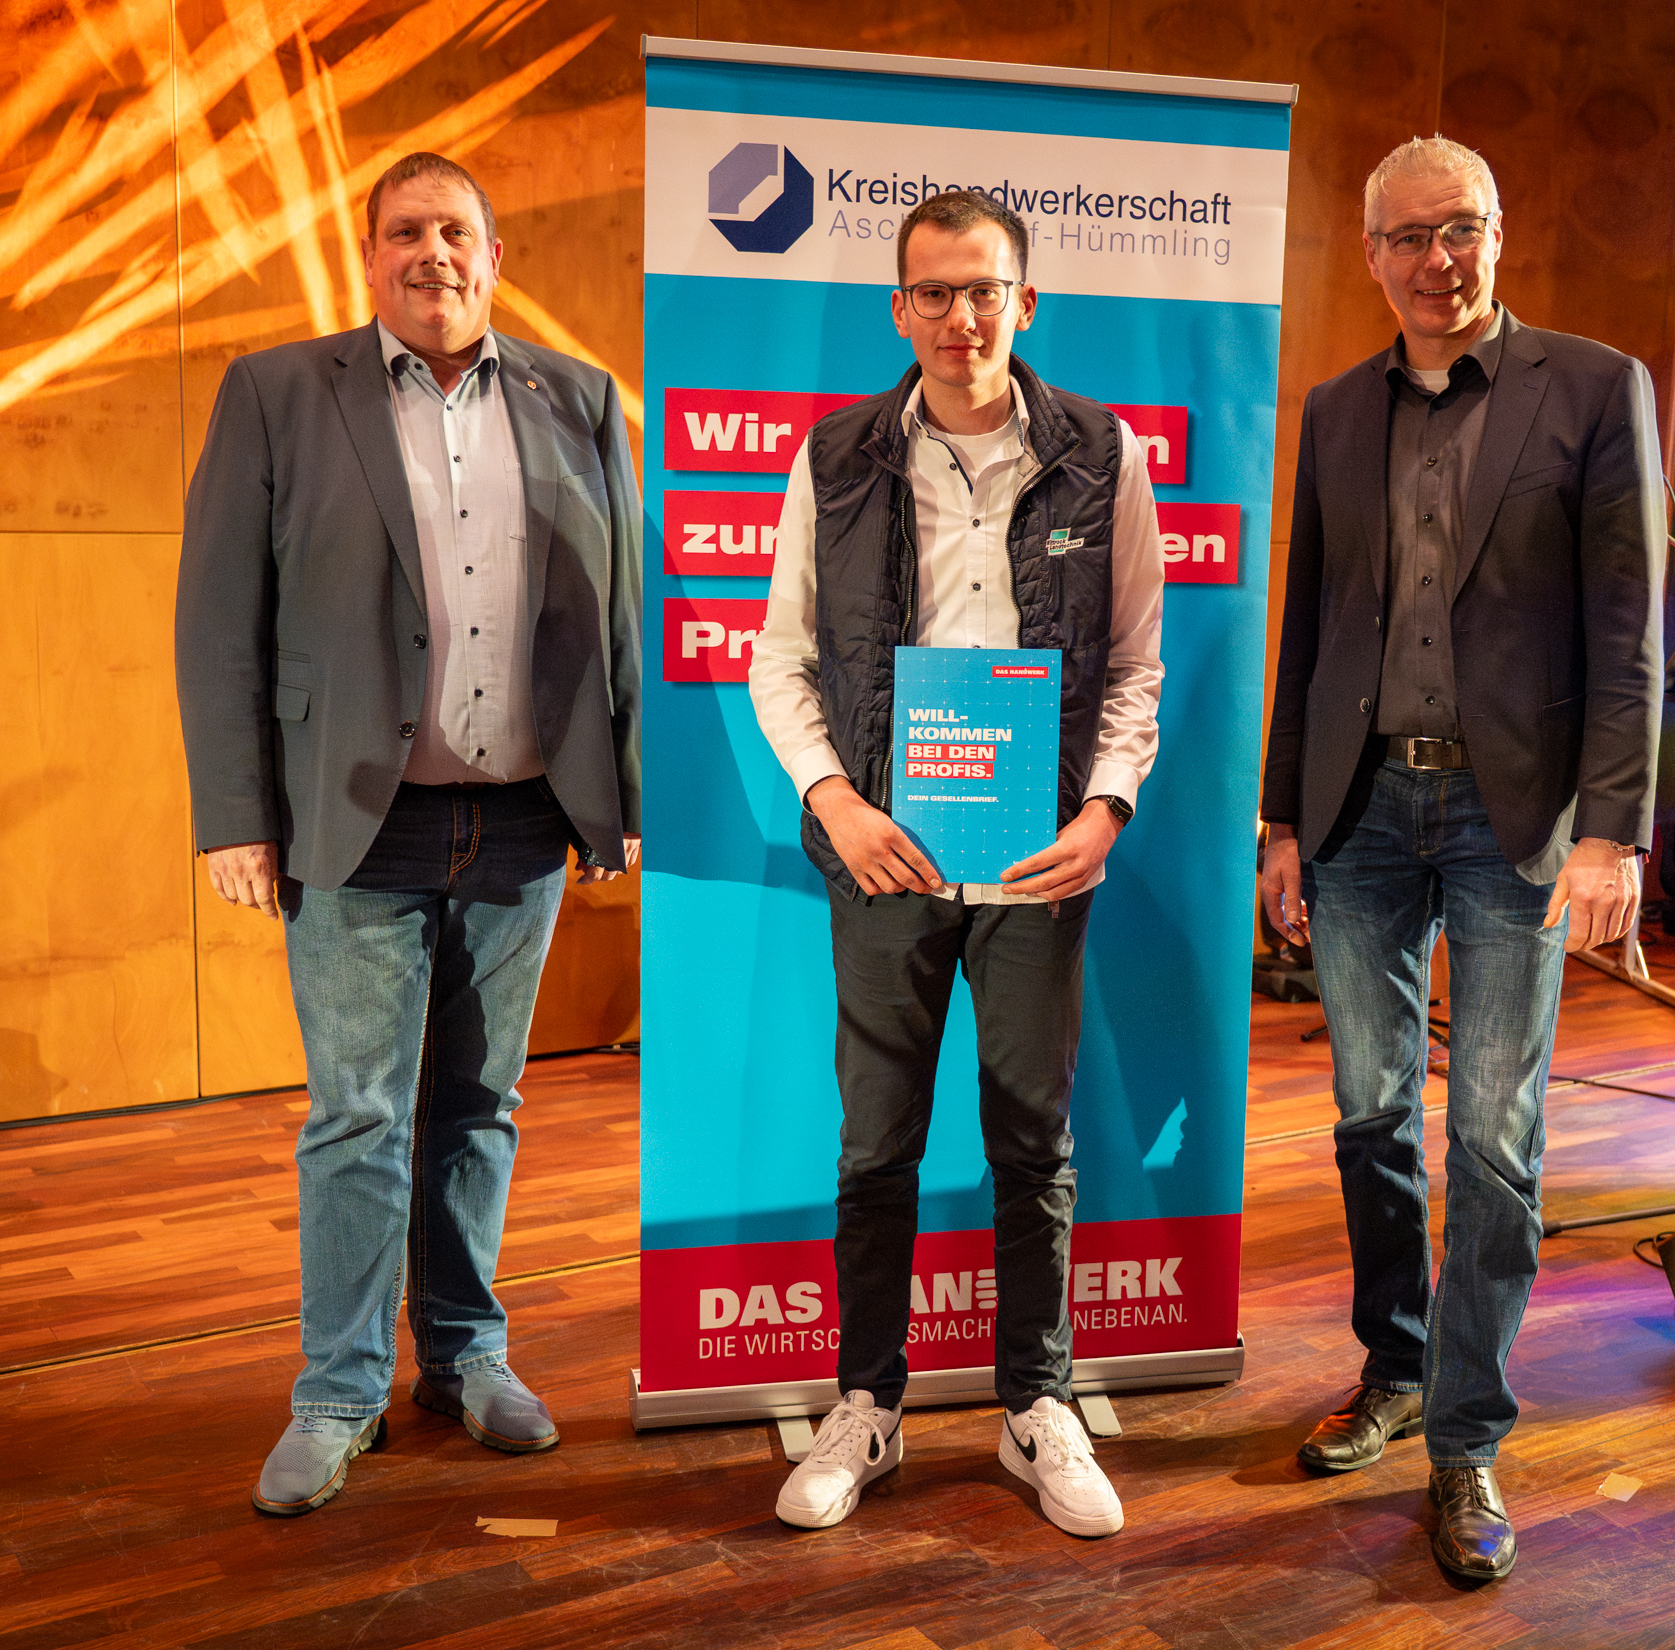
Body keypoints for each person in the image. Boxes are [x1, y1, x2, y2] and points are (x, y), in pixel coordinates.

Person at [175, 151, 642, 1517]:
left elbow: (615, 611)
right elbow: (218, 620)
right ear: (369, 255)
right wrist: (236, 814)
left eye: (455, 231)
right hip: (353, 816)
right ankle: (337, 1391)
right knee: (362, 1116)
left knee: (482, 1105)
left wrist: (614, 794)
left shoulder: (579, 396)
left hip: (521, 818)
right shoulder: (277, 393)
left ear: (493, 258)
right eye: (405, 231)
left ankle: (464, 1352)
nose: (432, 252)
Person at [1259, 136, 1662, 1581]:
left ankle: (1466, 1435)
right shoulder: (1334, 409)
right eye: (1412, 237)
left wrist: (1612, 826)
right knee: (1372, 1114)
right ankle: (1395, 1364)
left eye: (1464, 229)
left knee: (1495, 1135)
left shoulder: (1596, 387)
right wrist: (1283, 818)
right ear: (1372, 255)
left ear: (1500, 233)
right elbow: (1310, 625)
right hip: (1360, 813)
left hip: (1516, 822)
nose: (1441, 260)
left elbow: (1628, 627)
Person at [748, 189, 1165, 1540]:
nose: (960, 317)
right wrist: (836, 803)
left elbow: (1136, 664)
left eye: (984, 290)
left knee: (1034, 1141)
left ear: (1025, 303)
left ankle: (1035, 1403)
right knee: (877, 1144)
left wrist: (1104, 810)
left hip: (1039, 863)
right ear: (899, 309)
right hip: (886, 857)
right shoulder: (835, 455)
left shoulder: (1104, 454)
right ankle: (866, 1403)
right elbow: (781, 659)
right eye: (933, 292)